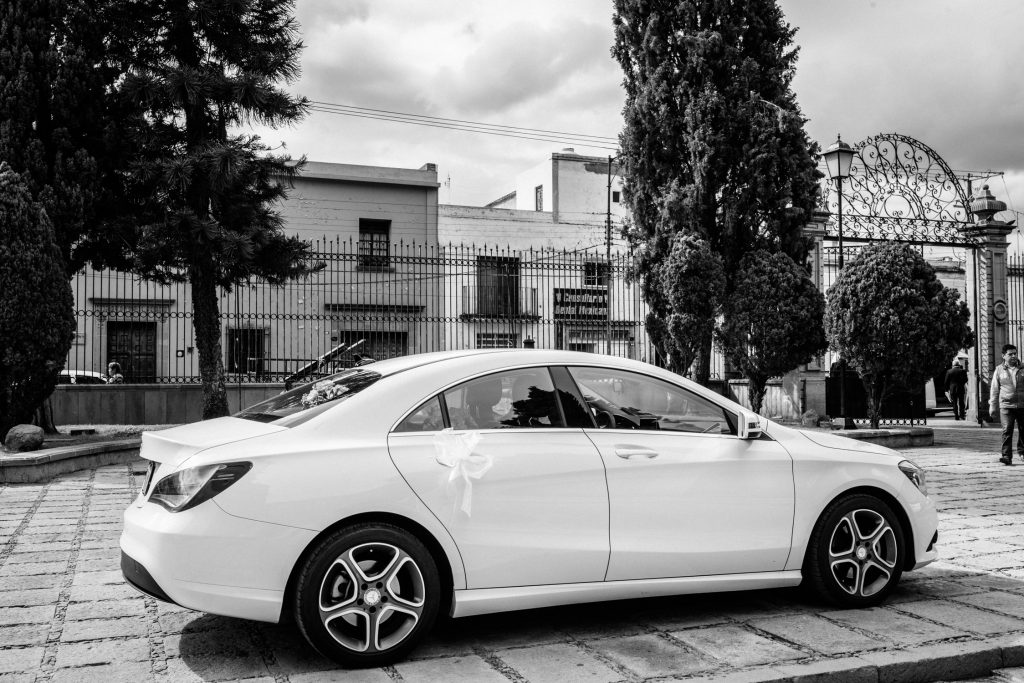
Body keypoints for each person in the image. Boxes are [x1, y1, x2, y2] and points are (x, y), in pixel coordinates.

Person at [989, 344, 1024, 465]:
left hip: (1022, 405)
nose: (1013, 356)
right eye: (1010, 354)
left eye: (1015, 353)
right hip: (1006, 405)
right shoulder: (999, 370)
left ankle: (1022, 452)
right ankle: (1006, 456)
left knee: (1023, 430)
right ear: (1003, 356)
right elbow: (994, 389)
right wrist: (992, 405)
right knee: (1007, 430)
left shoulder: (1023, 368)